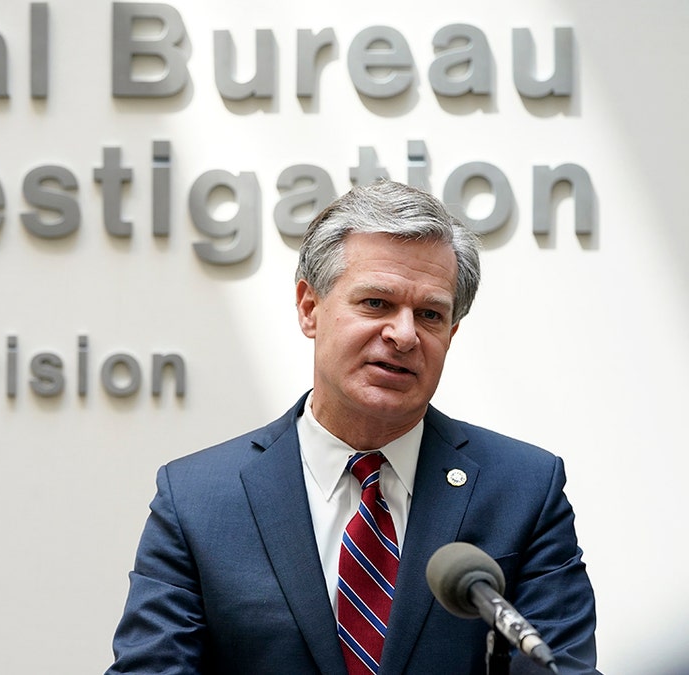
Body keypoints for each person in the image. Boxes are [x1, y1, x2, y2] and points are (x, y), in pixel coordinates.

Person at [106, 181, 598, 674]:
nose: (404, 335)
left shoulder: (524, 489)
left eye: (429, 314)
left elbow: (561, 665)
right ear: (309, 308)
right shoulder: (197, 500)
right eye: (376, 303)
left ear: (451, 333)